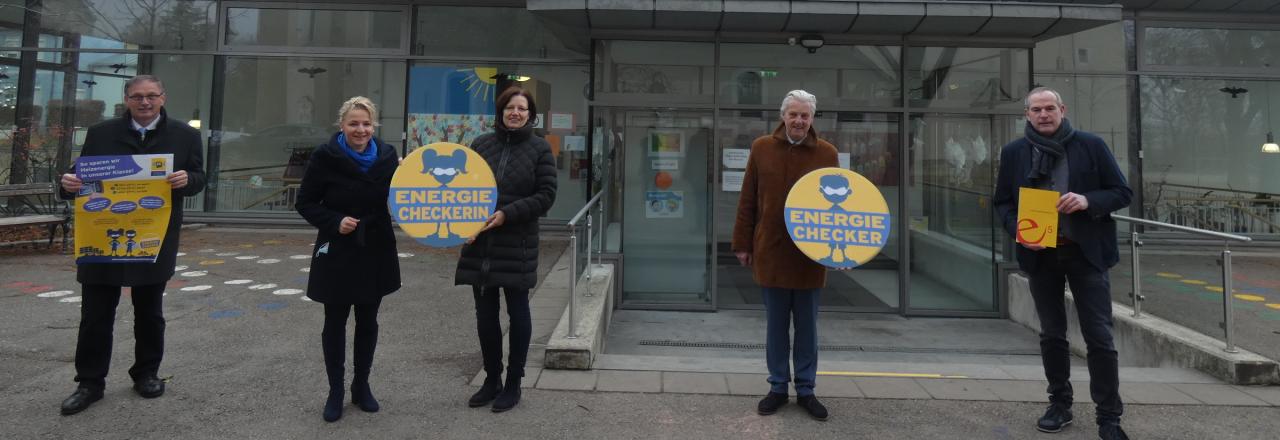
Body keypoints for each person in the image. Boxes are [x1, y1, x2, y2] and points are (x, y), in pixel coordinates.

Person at [57, 75, 207, 415]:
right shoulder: (101, 133)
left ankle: (147, 374)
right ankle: (90, 383)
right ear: (126, 99)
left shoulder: (185, 136)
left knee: (150, 313)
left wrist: (188, 180)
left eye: (152, 96)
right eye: (137, 96)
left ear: (163, 98)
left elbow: (199, 178)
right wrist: (68, 183)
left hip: (153, 237)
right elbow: (79, 178)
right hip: (101, 237)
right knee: (95, 315)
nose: (145, 102)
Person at [993, 87, 1133, 440]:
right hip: (1041, 254)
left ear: (1062, 109)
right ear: (1027, 114)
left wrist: (1087, 200)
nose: (1044, 114)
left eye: (1050, 108)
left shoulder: (1090, 145)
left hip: (1086, 254)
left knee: (1099, 336)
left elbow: (1121, 192)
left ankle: (1109, 417)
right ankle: (1060, 404)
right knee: (1052, 334)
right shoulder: (1014, 153)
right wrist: (1017, 229)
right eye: (1036, 109)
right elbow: (1003, 203)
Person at [732, 90, 838, 421]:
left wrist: (844, 247)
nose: (799, 121)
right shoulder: (761, 148)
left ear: (812, 118)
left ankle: (806, 389)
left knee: (807, 328)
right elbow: (748, 198)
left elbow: (840, 209)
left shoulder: (827, 153)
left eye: (805, 115)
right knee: (776, 327)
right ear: (783, 116)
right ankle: (778, 386)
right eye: (793, 114)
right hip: (771, 253)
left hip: (811, 256)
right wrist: (742, 243)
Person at [295, 96, 402, 422]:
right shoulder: (324, 157)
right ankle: (336, 391)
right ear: (342, 125)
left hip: (375, 246)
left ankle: (361, 385)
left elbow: (403, 195)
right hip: (338, 248)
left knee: (368, 320)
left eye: (366, 123)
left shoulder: (387, 156)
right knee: (335, 322)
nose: (361, 129)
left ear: (374, 126)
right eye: (354, 123)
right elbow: (306, 202)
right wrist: (334, 221)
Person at [455, 86, 557, 413]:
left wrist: (506, 214)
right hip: (480, 244)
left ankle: (513, 383)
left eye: (522, 109)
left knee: (518, 313)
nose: (515, 113)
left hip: (518, 245)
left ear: (531, 114)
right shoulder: (481, 145)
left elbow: (546, 196)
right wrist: (456, 223)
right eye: (510, 107)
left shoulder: (540, 149)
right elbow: (461, 189)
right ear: (500, 112)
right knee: (485, 317)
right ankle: (491, 379)